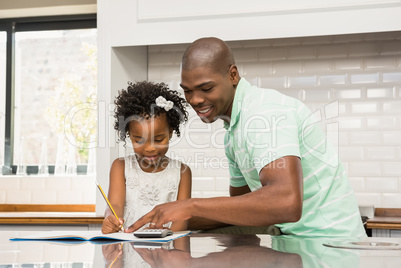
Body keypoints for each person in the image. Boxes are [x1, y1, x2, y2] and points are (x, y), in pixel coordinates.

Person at [127, 38, 366, 237]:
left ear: (232, 75)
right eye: (187, 90)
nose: (195, 100)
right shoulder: (234, 132)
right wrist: (166, 216)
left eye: (206, 88)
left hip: (331, 246)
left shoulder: (264, 112)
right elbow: (243, 208)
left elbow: (286, 203)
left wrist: (190, 206)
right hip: (300, 243)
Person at [101, 81, 192, 234]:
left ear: (170, 132)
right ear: (129, 136)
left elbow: (181, 223)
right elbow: (114, 207)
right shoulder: (120, 167)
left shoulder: (182, 172)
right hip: (128, 251)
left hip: (166, 252)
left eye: (158, 139)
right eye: (139, 140)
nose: (150, 148)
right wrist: (110, 218)